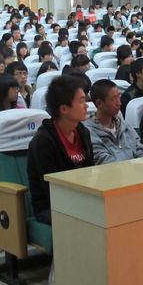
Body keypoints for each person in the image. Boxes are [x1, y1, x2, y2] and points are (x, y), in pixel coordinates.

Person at [27, 75, 94, 226]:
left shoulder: (83, 132)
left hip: (82, 200)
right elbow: (51, 188)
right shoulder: (43, 141)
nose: (86, 106)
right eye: (81, 101)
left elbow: (90, 172)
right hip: (51, 207)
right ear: (64, 109)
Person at [84, 79, 143, 164]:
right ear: (99, 103)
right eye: (114, 99)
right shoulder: (88, 131)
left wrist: (141, 163)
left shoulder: (122, 124)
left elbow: (139, 148)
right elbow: (102, 159)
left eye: (119, 97)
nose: (119, 103)